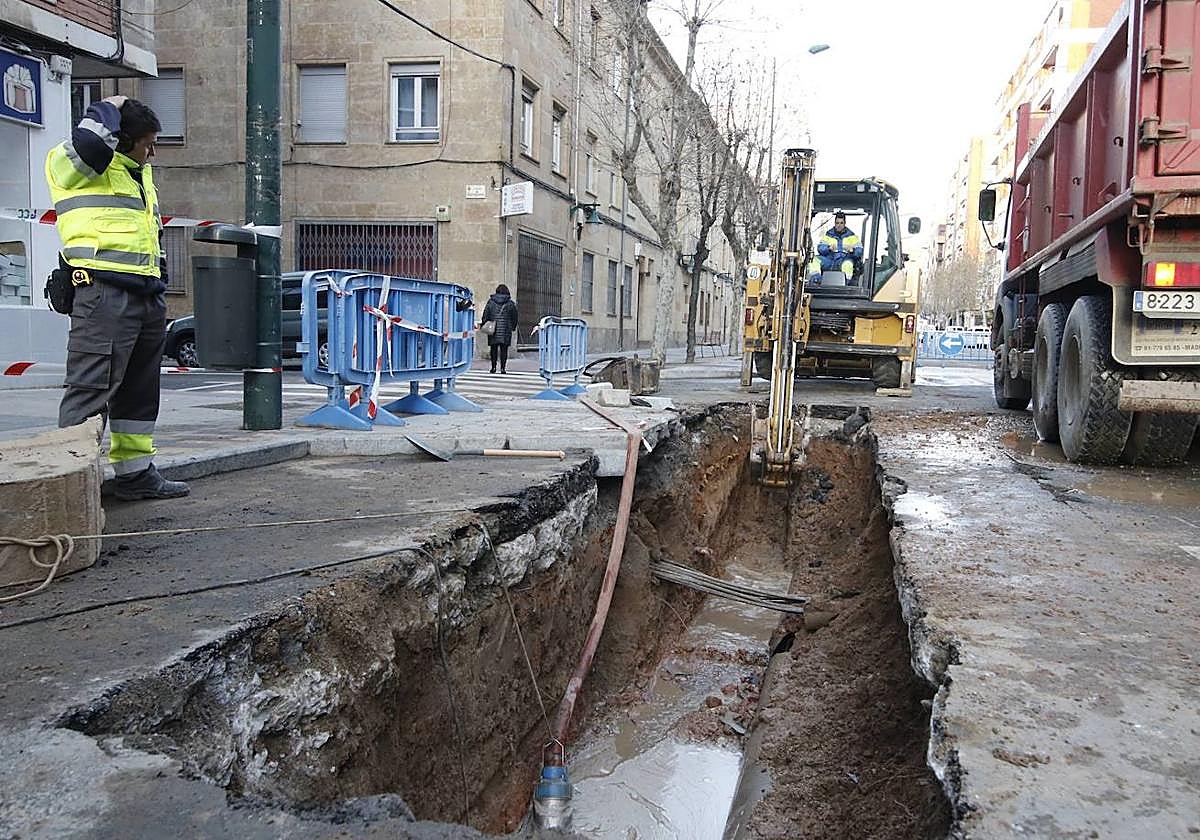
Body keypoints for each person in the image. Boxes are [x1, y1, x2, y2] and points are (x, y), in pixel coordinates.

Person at [46, 94, 188, 500]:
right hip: (103, 292)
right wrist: (108, 105)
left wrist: (159, 279)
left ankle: (135, 474)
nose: (152, 152)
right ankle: (72, 487)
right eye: (147, 144)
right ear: (120, 139)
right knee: (90, 390)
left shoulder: (137, 173)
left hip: (145, 293)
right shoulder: (71, 163)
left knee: (139, 394)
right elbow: (90, 143)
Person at [816, 211, 864, 283]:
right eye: (837, 223)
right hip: (830, 261)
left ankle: (846, 284)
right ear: (835, 223)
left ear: (845, 224)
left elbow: (859, 251)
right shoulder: (828, 235)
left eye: (841, 223)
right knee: (815, 260)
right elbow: (820, 248)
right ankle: (816, 281)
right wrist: (828, 248)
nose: (839, 225)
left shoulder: (852, 237)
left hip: (845, 260)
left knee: (847, 265)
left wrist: (853, 250)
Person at [481, 284, 519, 374]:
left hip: (493, 328)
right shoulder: (510, 303)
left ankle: (493, 367)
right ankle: (503, 368)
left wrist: (484, 323)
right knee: (504, 349)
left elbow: (486, 314)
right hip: (506, 329)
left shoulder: (491, 302)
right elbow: (515, 317)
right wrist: (513, 327)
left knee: (493, 349)